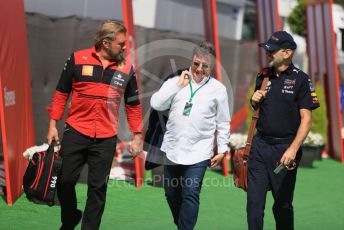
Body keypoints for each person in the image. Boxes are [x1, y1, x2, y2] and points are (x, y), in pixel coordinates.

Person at [46, 20, 143, 230]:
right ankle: (70, 217)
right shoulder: (77, 58)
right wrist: (53, 125)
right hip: (76, 131)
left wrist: (137, 137)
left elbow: (133, 105)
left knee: (97, 189)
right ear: (106, 43)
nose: (125, 47)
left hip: (106, 138)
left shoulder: (126, 68)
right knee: (64, 182)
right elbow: (61, 93)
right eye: (121, 43)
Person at [150, 41, 231, 230]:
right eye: (196, 64)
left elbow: (223, 122)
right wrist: (178, 86)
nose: (199, 69)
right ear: (191, 61)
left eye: (205, 65)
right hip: (172, 150)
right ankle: (182, 225)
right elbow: (156, 104)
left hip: (199, 152)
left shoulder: (218, 89)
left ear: (212, 66)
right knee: (171, 194)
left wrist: (222, 149)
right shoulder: (175, 81)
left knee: (191, 193)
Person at [248, 31, 320, 230]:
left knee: (282, 205)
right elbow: (257, 109)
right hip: (260, 147)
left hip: (285, 150)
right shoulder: (262, 75)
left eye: (272, 50)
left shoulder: (301, 80)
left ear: (287, 53)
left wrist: (293, 149)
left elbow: (306, 119)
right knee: (254, 205)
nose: (268, 54)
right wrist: (253, 101)